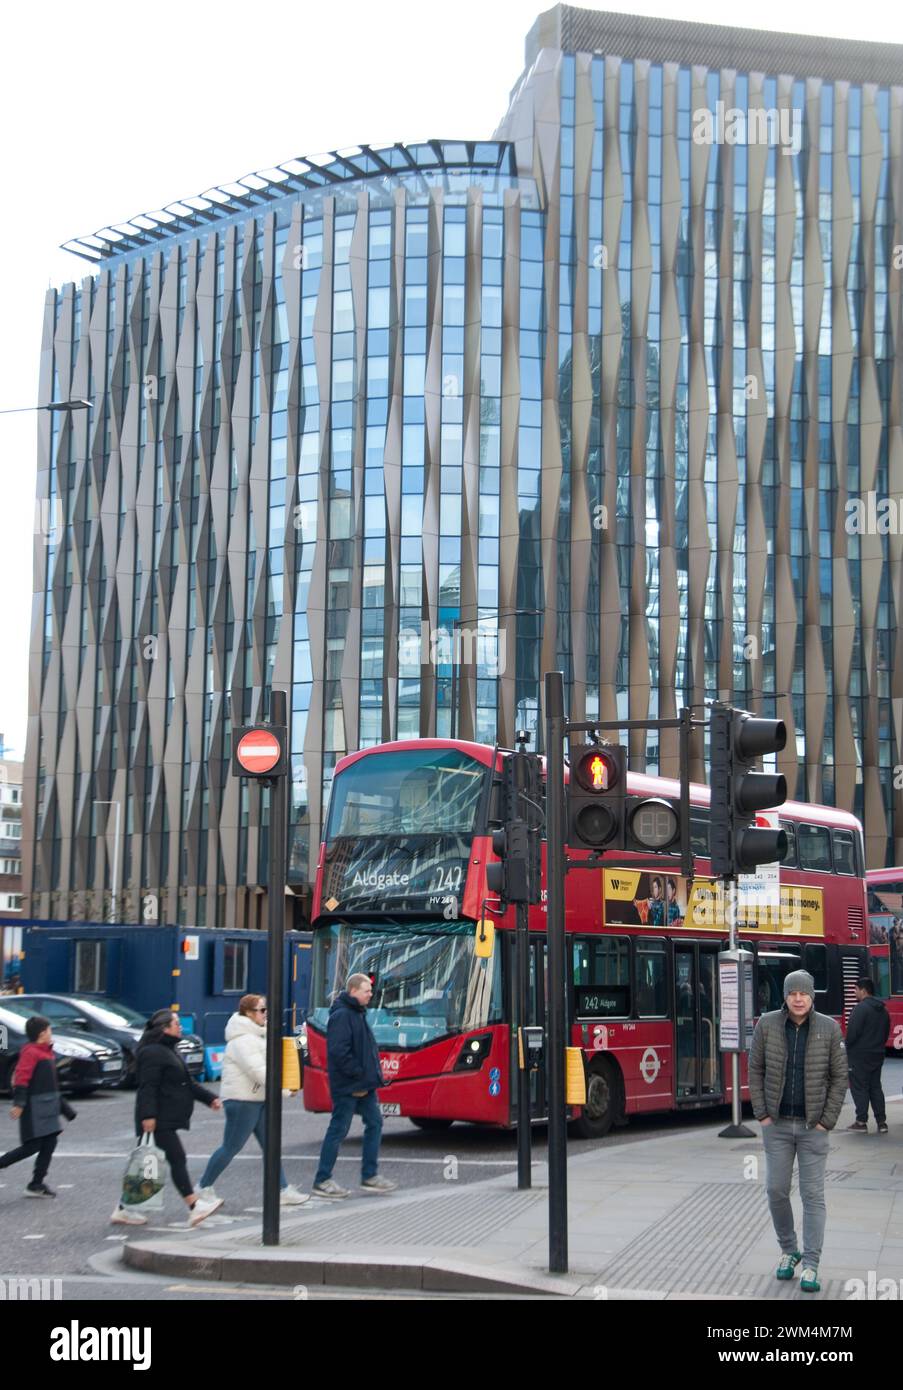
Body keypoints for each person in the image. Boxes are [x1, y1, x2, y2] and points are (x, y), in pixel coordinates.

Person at [748, 969, 847, 1294]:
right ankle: (790, 1250)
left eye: (804, 993)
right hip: (776, 1126)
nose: (799, 999)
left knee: (812, 1196)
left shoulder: (829, 1029)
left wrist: (826, 1122)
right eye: (793, 993)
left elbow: (839, 1077)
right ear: (786, 997)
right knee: (776, 1190)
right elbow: (756, 1068)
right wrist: (762, 1114)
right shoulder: (767, 1025)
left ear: (812, 996)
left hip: (812, 1128)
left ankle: (812, 1264)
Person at [111, 1009, 224, 1227]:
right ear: (164, 1028)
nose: (180, 1027)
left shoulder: (168, 1050)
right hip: (157, 1117)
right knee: (176, 1158)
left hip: (164, 1115)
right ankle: (194, 1205)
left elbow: (187, 1082)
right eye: (176, 1023)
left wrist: (210, 1099)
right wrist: (148, 1116)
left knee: (148, 1164)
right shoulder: (153, 1052)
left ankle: (124, 1209)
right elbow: (148, 1086)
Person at [196, 994, 307, 1207]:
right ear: (248, 1013)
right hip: (242, 1100)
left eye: (265, 1009)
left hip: (256, 1098)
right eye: (262, 1010)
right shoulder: (243, 1040)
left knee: (271, 1146)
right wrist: (284, 1089)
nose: (266, 1014)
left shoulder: (256, 1036)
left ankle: (282, 1190)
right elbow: (258, 1071)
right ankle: (203, 1187)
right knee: (231, 1147)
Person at [311, 972, 398, 1199]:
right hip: (350, 1086)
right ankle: (322, 1179)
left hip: (364, 1084)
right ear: (353, 991)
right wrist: (359, 1075)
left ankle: (370, 1175)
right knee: (339, 1130)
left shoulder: (357, 1013)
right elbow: (339, 1052)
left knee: (375, 1123)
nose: (371, 994)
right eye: (367, 990)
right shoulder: (343, 1015)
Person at [0, 1014, 75, 1197]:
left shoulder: (46, 1052)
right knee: (32, 1146)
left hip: (48, 1107)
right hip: (33, 1109)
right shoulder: (30, 1052)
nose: (51, 1032)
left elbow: (51, 1086)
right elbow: (21, 1079)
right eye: (49, 1029)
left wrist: (65, 1109)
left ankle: (36, 1184)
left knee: (50, 1142)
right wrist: (19, 1103)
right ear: (42, 1033)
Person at [844, 978, 890, 1134]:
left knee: (859, 1087)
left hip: (859, 1056)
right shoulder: (883, 1010)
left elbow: (852, 1034)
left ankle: (861, 1121)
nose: (855, 993)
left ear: (863, 990)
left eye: (856, 989)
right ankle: (882, 1122)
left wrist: (847, 1048)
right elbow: (885, 1034)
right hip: (877, 1054)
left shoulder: (860, 1009)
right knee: (876, 1087)